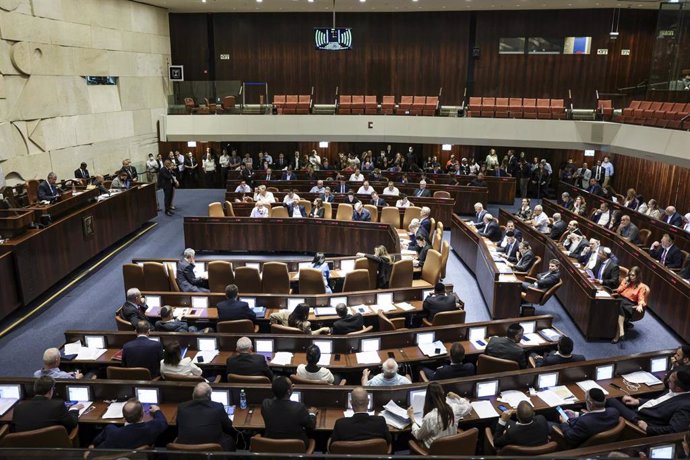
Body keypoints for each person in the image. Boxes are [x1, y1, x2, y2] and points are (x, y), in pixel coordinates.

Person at [606, 369, 690, 435]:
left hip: (641, 419)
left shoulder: (685, 406)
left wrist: (647, 428)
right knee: (619, 396)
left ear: (679, 388)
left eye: (670, 381)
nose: (667, 381)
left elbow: (673, 430)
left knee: (609, 399)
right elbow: (657, 402)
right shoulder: (674, 390)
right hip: (642, 408)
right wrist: (638, 401)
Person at [407, 382, 471, 450]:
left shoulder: (429, 417)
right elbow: (468, 406)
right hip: (452, 447)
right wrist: (456, 396)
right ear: (442, 394)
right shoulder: (454, 409)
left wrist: (412, 419)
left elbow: (418, 436)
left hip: (435, 450)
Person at [176, 382, 235, 451]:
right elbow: (228, 426)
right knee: (230, 439)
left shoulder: (182, 407)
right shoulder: (218, 407)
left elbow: (178, 426)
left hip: (186, 449)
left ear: (193, 395)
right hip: (213, 448)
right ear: (209, 396)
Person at [261, 376, 317, 448]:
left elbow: (275, 400)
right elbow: (311, 426)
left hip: (272, 445)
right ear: (288, 391)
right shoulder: (299, 407)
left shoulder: (266, 404)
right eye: (291, 385)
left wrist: (279, 391)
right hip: (296, 447)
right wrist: (312, 413)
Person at [12, 376, 81, 433]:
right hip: (53, 445)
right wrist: (74, 408)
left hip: (24, 446)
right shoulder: (57, 405)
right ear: (50, 390)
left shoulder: (19, 407)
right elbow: (72, 423)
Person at [91, 398, 168, 449]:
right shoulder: (150, 428)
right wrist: (157, 410)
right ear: (142, 414)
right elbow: (162, 422)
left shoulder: (112, 431)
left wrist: (92, 446)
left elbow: (96, 444)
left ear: (124, 418)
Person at [612, 266, 650, 344]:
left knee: (619, 305)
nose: (630, 277)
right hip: (621, 299)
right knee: (619, 305)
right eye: (630, 275)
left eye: (633, 275)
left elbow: (641, 298)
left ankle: (617, 335)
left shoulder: (641, 287)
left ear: (638, 276)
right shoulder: (626, 280)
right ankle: (621, 331)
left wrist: (640, 305)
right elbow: (619, 291)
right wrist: (626, 284)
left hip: (629, 304)